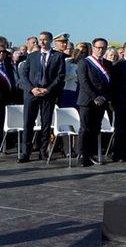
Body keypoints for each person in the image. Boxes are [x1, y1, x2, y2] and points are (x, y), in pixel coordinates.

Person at [17, 31, 66, 163]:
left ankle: (43, 151)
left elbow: (60, 77)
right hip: (31, 93)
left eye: (45, 40)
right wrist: (32, 89)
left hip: (47, 94)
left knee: (46, 124)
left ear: (50, 41)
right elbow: (24, 75)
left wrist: (48, 89)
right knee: (28, 123)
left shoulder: (58, 56)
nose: (42, 42)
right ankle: (25, 152)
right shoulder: (32, 56)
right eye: (40, 40)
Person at [77, 38, 113, 167]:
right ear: (93, 48)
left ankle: (91, 154)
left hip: (102, 101)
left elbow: (110, 84)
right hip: (87, 101)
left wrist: (104, 97)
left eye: (103, 48)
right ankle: (82, 155)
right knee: (85, 128)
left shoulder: (108, 64)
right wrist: (95, 97)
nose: (100, 50)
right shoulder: (84, 62)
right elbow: (84, 82)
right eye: (98, 47)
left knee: (96, 128)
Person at [60, 42, 87, 109]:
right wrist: (77, 69)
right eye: (79, 51)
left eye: (83, 52)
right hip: (69, 90)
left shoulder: (88, 62)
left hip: (82, 92)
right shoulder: (67, 61)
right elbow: (64, 77)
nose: (81, 54)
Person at [0, 37, 17, 135]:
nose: (2, 54)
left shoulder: (8, 65)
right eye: (0, 51)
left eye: (4, 51)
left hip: (7, 100)